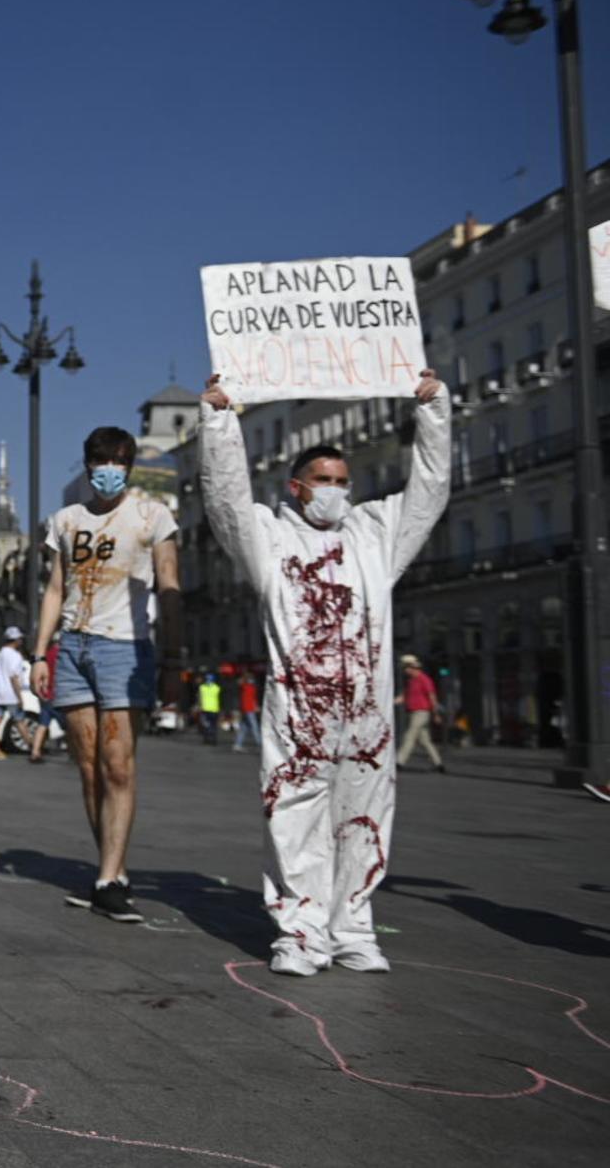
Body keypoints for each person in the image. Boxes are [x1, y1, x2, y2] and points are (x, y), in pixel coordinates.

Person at [198, 368, 450, 976]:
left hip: (365, 713)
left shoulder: (375, 535)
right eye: (323, 480)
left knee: (365, 816)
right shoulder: (270, 538)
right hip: (299, 713)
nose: (335, 489)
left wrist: (435, 410)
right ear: (297, 486)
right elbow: (226, 501)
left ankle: (353, 927)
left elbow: (430, 490)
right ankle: (300, 931)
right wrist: (218, 423)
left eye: (343, 480)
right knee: (295, 814)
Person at [28, 424, 181, 925]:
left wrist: (174, 659)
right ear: (88, 465)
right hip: (72, 647)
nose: (109, 470)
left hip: (125, 649)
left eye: (118, 461)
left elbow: (170, 585)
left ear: (129, 468)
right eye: (100, 461)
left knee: (118, 765)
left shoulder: (153, 516)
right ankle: (109, 872)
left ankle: (109, 879)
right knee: (90, 765)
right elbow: (55, 588)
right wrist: (39, 653)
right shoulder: (66, 520)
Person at [395, 654, 445, 773]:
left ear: (412, 668)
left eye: (406, 668)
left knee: (409, 736)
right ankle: (439, 764)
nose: (405, 671)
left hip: (421, 713)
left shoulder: (424, 679)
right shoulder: (411, 681)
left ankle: (399, 762)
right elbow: (403, 697)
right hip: (413, 713)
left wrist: (436, 713)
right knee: (425, 741)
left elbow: (432, 696)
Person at [0, 625, 31, 761]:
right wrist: (20, 697)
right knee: (19, 721)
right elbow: (14, 677)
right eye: (20, 638)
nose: (21, 641)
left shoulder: (1, 653)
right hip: (11, 694)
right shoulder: (15, 656)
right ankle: (32, 746)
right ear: (16, 640)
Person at [234, 672, 263, 755]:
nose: (251, 680)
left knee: (243, 728)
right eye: (250, 679)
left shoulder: (250, 687)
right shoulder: (245, 686)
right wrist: (244, 678)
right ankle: (260, 744)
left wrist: (256, 706)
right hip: (248, 710)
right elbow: (239, 682)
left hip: (248, 709)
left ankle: (237, 744)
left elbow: (253, 698)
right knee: (255, 727)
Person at [197, 673, 223, 746]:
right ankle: (214, 739)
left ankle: (207, 739)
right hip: (214, 709)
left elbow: (199, 698)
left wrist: (199, 706)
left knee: (206, 725)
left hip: (205, 709)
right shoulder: (217, 688)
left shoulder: (202, 687)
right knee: (213, 725)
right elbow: (221, 699)